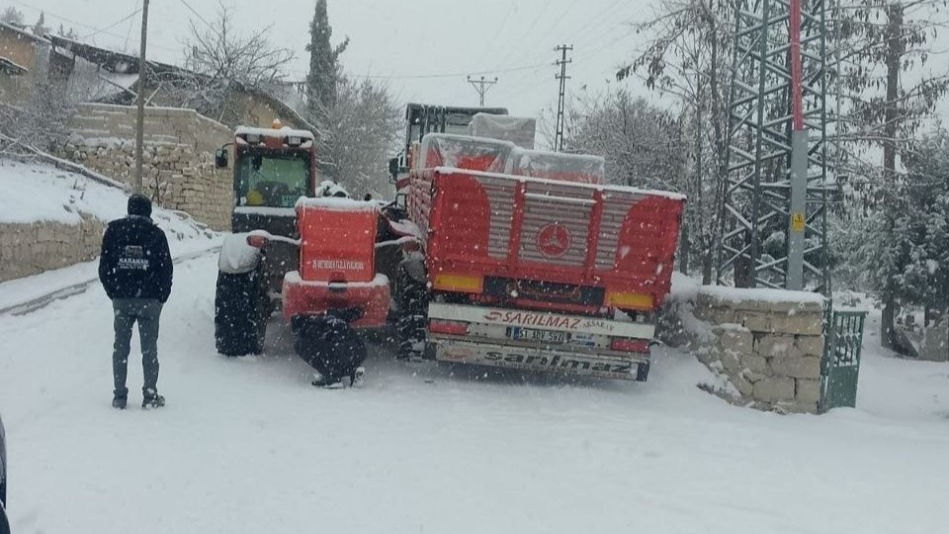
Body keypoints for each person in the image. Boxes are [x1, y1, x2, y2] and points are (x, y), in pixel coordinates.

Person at [98, 194, 173, 409]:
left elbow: (104, 267)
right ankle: (150, 395)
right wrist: (161, 297)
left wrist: (114, 291)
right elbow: (166, 269)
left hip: (122, 299)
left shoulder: (113, 232)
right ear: (148, 212)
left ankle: (119, 396)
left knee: (120, 348)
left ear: (129, 209)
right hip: (150, 300)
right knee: (149, 349)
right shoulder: (156, 235)